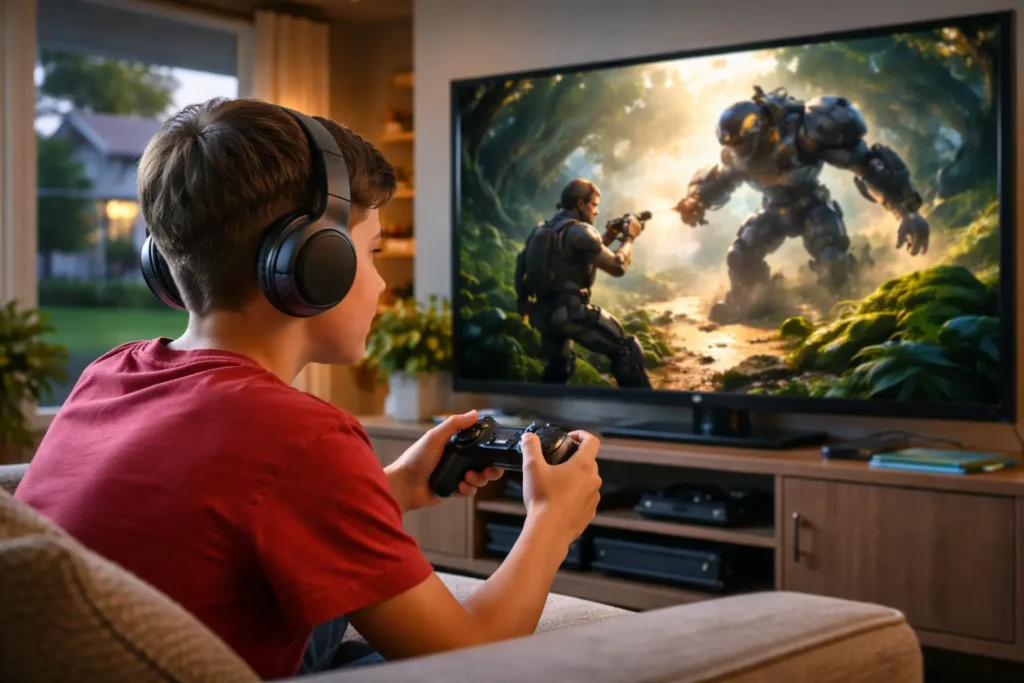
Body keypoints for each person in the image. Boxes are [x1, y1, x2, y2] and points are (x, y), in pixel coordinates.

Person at [14, 98, 603, 680]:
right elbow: (471, 657)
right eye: (370, 254)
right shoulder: (300, 438)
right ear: (315, 262)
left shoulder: (110, 374)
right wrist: (552, 519)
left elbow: (226, 513)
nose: (379, 285)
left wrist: (390, 489)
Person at [514, 178, 652, 388]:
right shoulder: (580, 231)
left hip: (545, 316)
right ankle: (647, 413)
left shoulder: (541, 231)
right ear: (580, 203)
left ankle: (550, 418)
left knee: (559, 368)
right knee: (626, 349)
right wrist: (629, 238)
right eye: (594, 205)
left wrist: (609, 235)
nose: (596, 211)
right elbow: (617, 266)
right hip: (571, 312)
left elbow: (568, 259)